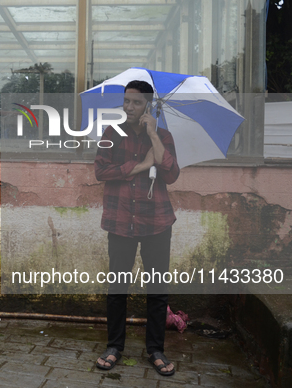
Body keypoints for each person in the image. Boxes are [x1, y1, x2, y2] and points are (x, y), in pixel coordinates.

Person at [94, 80, 180, 376]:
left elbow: (171, 174)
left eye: (136, 103)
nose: (129, 107)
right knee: (117, 285)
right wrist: (141, 166)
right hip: (120, 221)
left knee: (157, 289)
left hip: (157, 221)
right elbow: (101, 171)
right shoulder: (111, 133)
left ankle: (155, 349)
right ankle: (115, 346)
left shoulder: (163, 135)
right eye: (127, 102)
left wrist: (154, 135)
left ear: (148, 106)